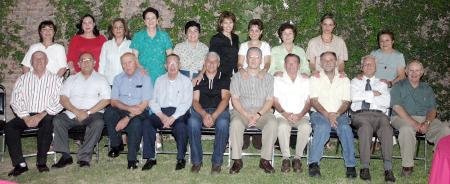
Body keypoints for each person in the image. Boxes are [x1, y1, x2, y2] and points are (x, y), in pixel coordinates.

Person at [5, 51, 63, 176]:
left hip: (46, 114)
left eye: (41, 58)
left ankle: (41, 162)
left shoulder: (56, 79)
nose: (39, 61)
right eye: (35, 59)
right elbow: (15, 100)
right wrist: (26, 117)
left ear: (46, 61)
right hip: (26, 114)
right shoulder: (22, 79)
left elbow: (59, 101)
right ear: (31, 63)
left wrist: (41, 115)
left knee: (48, 122)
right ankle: (20, 164)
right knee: (10, 126)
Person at [390, 60, 450, 177]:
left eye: (417, 70)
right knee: (407, 129)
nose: (414, 73)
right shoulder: (398, 86)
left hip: (424, 118)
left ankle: (440, 161)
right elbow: (397, 107)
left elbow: (432, 109)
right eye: (411, 70)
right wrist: (415, 124)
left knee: (445, 130)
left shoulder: (427, 88)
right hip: (401, 117)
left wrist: (427, 123)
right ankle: (407, 166)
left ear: (422, 72)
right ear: (406, 72)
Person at [52, 52, 110, 168]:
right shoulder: (71, 79)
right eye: (83, 60)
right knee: (57, 120)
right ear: (78, 64)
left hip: (93, 113)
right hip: (72, 113)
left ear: (94, 63)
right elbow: (63, 99)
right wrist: (76, 111)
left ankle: (84, 157)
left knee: (99, 123)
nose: (86, 62)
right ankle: (65, 156)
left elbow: (107, 100)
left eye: (89, 59)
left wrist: (87, 112)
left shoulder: (102, 79)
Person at [307, 51, 356, 178]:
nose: (328, 62)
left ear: (336, 62)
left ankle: (350, 165)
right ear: (320, 63)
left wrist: (336, 114)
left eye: (331, 60)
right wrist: (328, 115)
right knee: (322, 127)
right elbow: (314, 101)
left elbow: (346, 101)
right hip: (319, 113)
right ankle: (313, 164)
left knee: (345, 128)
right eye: (325, 60)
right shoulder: (314, 78)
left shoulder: (344, 79)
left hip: (339, 114)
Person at [229, 47, 277, 174]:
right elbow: (235, 99)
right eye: (251, 57)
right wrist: (246, 114)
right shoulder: (237, 77)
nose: (254, 60)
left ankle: (265, 160)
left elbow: (269, 100)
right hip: (241, 111)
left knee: (272, 123)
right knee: (235, 123)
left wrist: (257, 115)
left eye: (257, 57)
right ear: (246, 59)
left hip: (262, 112)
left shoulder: (269, 78)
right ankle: (237, 160)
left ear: (261, 60)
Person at [142, 54, 192, 171]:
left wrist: (173, 117)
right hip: (162, 112)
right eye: (169, 63)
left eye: (175, 63)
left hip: (179, 112)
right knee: (147, 123)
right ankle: (151, 158)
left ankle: (180, 158)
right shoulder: (159, 80)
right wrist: (161, 115)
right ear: (165, 66)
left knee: (181, 127)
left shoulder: (186, 81)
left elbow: (186, 103)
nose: (172, 66)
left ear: (179, 65)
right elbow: (152, 101)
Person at [350, 56, 396, 182]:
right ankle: (365, 167)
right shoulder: (355, 81)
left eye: (371, 64)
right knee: (365, 128)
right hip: (360, 115)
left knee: (387, 128)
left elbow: (386, 102)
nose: (368, 66)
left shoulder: (382, 83)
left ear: (376, 67)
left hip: (380, 115)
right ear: (361, 67)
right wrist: (373, 94)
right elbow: (354, 97)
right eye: (365, 64)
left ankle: (388, 168)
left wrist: (364, 96)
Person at [104, 52, 152, 169]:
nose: (127, 66)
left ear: (135, 62)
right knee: (109, 112)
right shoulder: (118, 78)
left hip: (140, 111)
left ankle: (132, 159)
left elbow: (144, 104)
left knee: (135, 124)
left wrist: (128, 117)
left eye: (129, 62)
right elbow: (114, 101)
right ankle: (116, 145)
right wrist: (128, 109)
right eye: (124, 64)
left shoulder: (145, 78)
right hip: (122, 108)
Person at [187, 52, 231, 174]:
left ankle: (216, 163)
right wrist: (204, 114)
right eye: (208, 61)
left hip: (219, 110)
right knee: (191, 122)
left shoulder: (224, 77)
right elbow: (194, 100)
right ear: (204, 63)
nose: (211, 64)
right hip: (201, 110)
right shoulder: (198, 78)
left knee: (223, 124)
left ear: (218, 63)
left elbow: (225, 98)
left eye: (214, 61)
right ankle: (197, 161)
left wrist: (214, 116)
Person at [273, 54, 311, 173]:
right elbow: (274, 101)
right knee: (282, 126)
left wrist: (300, 115)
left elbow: (309, 102)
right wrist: (285, 114)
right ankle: (285, 158)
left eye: (294, 62)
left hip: (301, 115)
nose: (291, 65)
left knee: (306, 127)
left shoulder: (306, 81)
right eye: (288, 63)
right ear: (284, 65)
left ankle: (297, 158)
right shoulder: (277, 80)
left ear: (299, 65)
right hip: (282, 115)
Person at [237, 19, 271, 150]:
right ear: (248, 31)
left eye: (257, 30)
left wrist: (263, 71)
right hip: (245, 77)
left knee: (260, 104)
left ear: (261, 32)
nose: (254, 32)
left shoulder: (266, 46)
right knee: (245, 103)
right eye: (251, 30)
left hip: (261, 77)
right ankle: (245, 136)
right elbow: (240, 63)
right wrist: (242, 71)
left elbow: (267, 63)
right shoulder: (244, 45)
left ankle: (258, 136)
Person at [131, 7, 173, 84]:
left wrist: (167, 67)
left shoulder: (164, 36)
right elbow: (134, 57)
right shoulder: (138, 36)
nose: (150, 21)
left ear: (157, 20)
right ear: (144, 21)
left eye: (153, 18)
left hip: (161, 74)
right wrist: (141, 69)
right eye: (148, 18)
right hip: (143, 74)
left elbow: (170, 55)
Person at [98, 18, 132, 85]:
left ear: (124, 29)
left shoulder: (131, 44)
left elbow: (134, 65)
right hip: (109, 82)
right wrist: (100, 82)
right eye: (115, 27)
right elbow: (102, 65)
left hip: (126, 82)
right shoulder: (106, 45)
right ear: (112, 30)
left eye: (120, 27)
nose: (118, 29)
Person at [208, 11, 239, 79]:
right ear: (221, 24)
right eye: (225, 23)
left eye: (230, 22)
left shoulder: (235, 37)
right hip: (221, 75)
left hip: (235, 73)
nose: (228, 25)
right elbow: (212, 58)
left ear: (233, 23)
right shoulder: (216, 39)